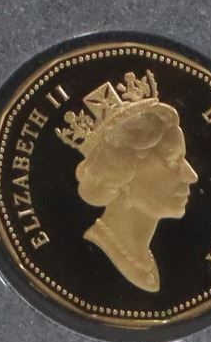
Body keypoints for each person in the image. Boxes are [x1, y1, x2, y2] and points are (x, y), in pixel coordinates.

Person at [59, 72, 197, 294]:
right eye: (173, 161)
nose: (192, 176)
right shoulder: (88, 261)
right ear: (122, 174)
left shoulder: (148, 260)